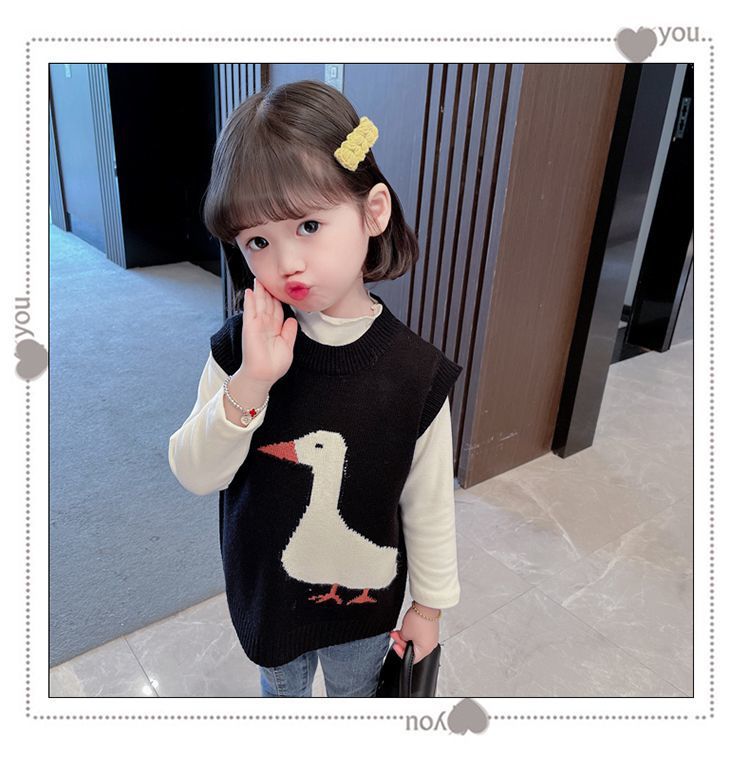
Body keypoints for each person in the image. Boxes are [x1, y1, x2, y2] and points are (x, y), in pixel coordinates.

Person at [168, 79, 462, 697]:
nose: (286, 264)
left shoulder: (416, 373)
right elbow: (195, 472)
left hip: (365, 610)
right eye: (258, 241)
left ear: (372, 212)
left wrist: (429, 606)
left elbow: (428, 500)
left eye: (308, 224)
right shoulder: (241, 348)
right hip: (269, 602)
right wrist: (252, 382)